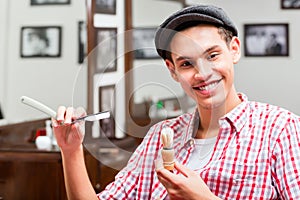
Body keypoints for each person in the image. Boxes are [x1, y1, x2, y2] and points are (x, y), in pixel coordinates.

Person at [52, 4, 300, 200]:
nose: (202, 74)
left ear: (234, 49)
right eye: (186, 64)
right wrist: (71, 150)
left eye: (212, 56)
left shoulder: (281, 130)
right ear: (172, 71)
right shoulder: (160, 136)